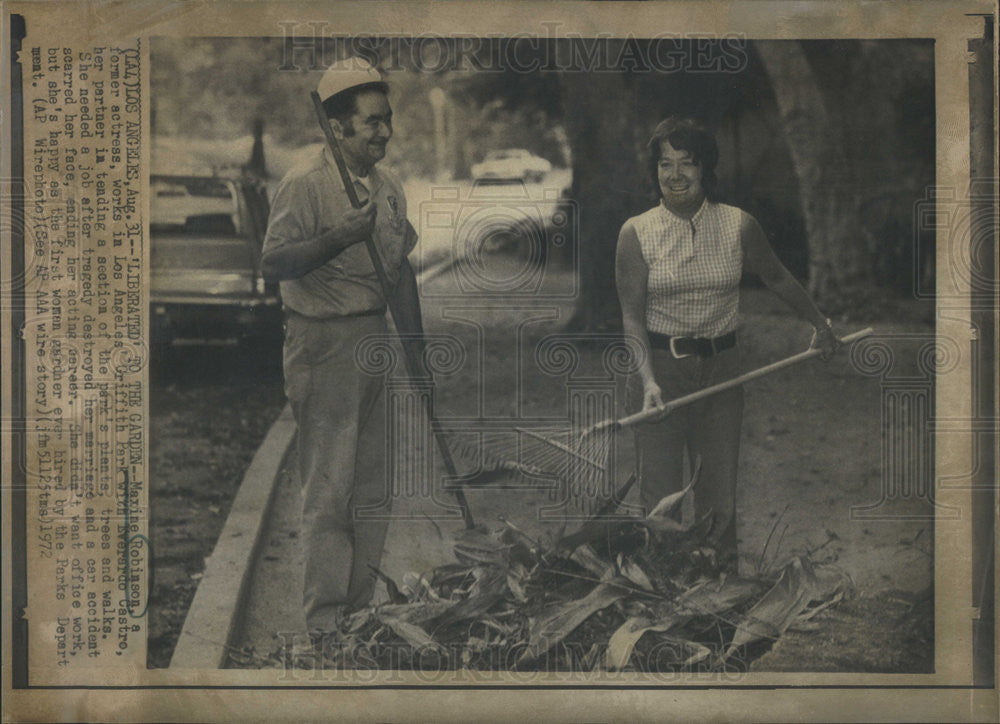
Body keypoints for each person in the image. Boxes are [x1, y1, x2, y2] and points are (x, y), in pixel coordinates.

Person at [615, 115, 838, 574]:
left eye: (687, 163)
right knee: (659, 499)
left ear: (706, 169)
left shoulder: (739, 225)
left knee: (718, 496)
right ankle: (662, 591)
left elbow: (776, 276)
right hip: (659, 371)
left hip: (723, 370)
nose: (675, 175)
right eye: (665, 164)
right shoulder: (635, 233)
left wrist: (821, 324)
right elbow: (632, 317)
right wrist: (648, 382)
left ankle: (719, 592)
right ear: (654, 170)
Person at [261, 58, 421, 637]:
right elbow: (272, 263)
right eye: (371, 122)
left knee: (374, 488)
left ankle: (358, 612)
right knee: (330, 488)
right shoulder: (306, 183)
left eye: (387, 120)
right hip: (322, 344)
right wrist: (337, 238)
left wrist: (419, 359)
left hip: (374, 339)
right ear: (337, 127)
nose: (383, 132)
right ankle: (325, 624)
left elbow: (400, 273)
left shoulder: (389, 188)